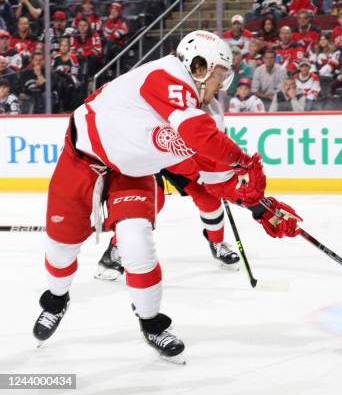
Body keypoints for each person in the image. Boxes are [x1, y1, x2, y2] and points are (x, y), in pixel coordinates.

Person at [32, 30, 301, 363]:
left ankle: (151, 323)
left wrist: (262, 207)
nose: (223, 86)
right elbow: (198, 136)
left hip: (133, 173)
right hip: (80, 161)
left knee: (136, 242)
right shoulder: (166, 75)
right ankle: (56, 300)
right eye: (220, 75)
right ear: (198, 65)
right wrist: (242, 161)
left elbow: (214, 180)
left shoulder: (209, 112)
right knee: (61, 248)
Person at [102, 2, 129, 68]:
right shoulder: (108, 20)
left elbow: (120, 33)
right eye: (112, 11)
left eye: (115, 11)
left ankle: (105, 62)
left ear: (119, 12)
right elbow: (105, 32)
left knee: (109, 42)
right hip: (109, 43)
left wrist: (111, 34)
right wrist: (110, 21)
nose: (113, 13)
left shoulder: (123, 20)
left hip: (119, 44)